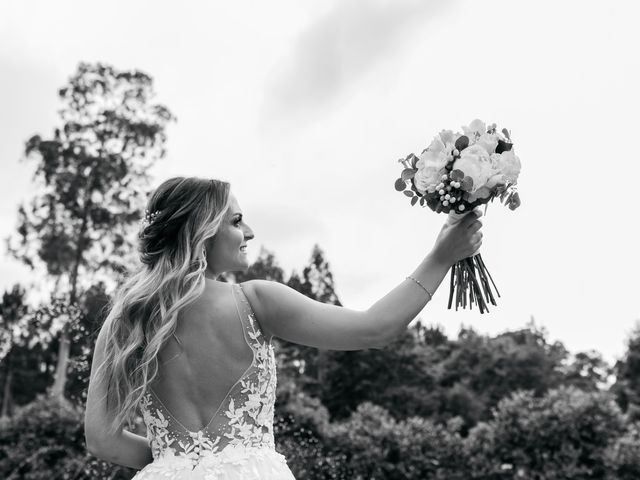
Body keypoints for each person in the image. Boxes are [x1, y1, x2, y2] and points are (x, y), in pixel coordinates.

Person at [84, 176, 483, 479]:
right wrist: (442, 256)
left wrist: (179, 464)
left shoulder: (126, 320)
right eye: (237, 221)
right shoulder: (256, 301)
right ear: (201, 231)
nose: (250, 232)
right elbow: (375, 329)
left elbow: (102, 441)